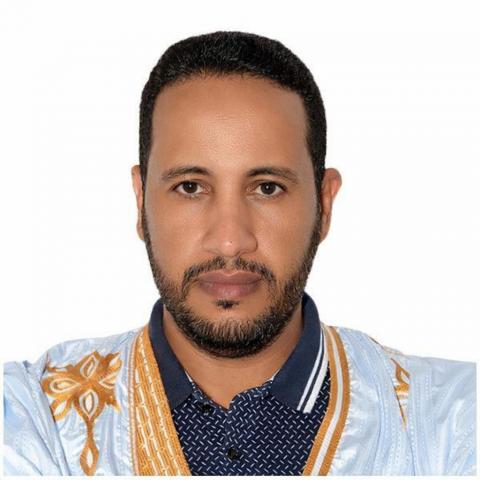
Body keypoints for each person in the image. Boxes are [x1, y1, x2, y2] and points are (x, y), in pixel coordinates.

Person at [3, 31, 476, 476]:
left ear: (324, 205)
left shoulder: (453, 419)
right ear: (141, 201)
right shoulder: (35, 417)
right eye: (190, 187)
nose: (230, 241)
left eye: (267, 188)